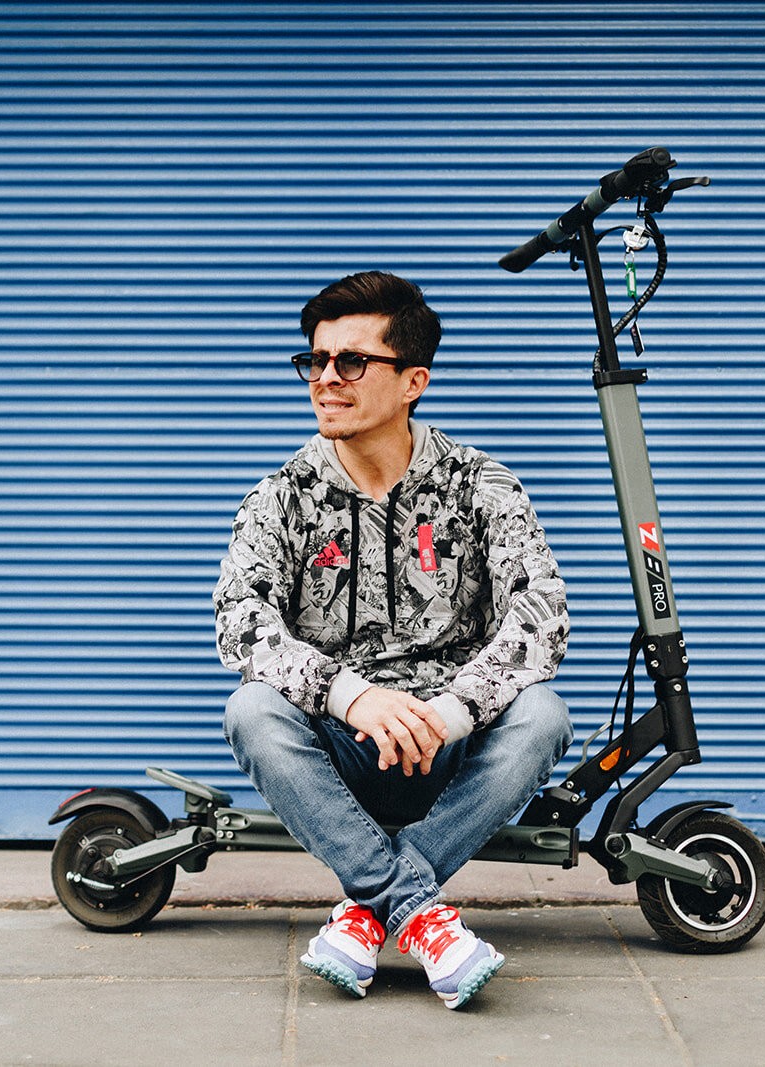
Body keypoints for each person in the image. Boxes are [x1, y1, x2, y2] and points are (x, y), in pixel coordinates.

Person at [214, 270, 572, 1010]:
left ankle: (369, 909)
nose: (325, 379)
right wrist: (349, 695)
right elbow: (239, 616)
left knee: (545, 715)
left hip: (452, 753)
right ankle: (418, 909)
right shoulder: (283, 495)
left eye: (351, 362)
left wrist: (449, 713)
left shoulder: (482, 484)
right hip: (341, 751)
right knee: (251, 711)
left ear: (413, 380)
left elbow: (542, 611)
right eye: (315, 360)